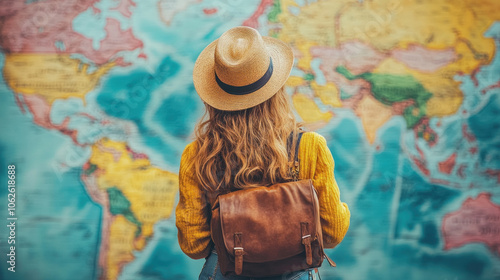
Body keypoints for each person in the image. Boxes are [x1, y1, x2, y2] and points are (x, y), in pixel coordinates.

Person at [175, 26, 350, 280]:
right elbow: (332, 232)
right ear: (276, 90)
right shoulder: (310, 146)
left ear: (215, 97)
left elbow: (194, 245)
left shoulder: (197, 155)